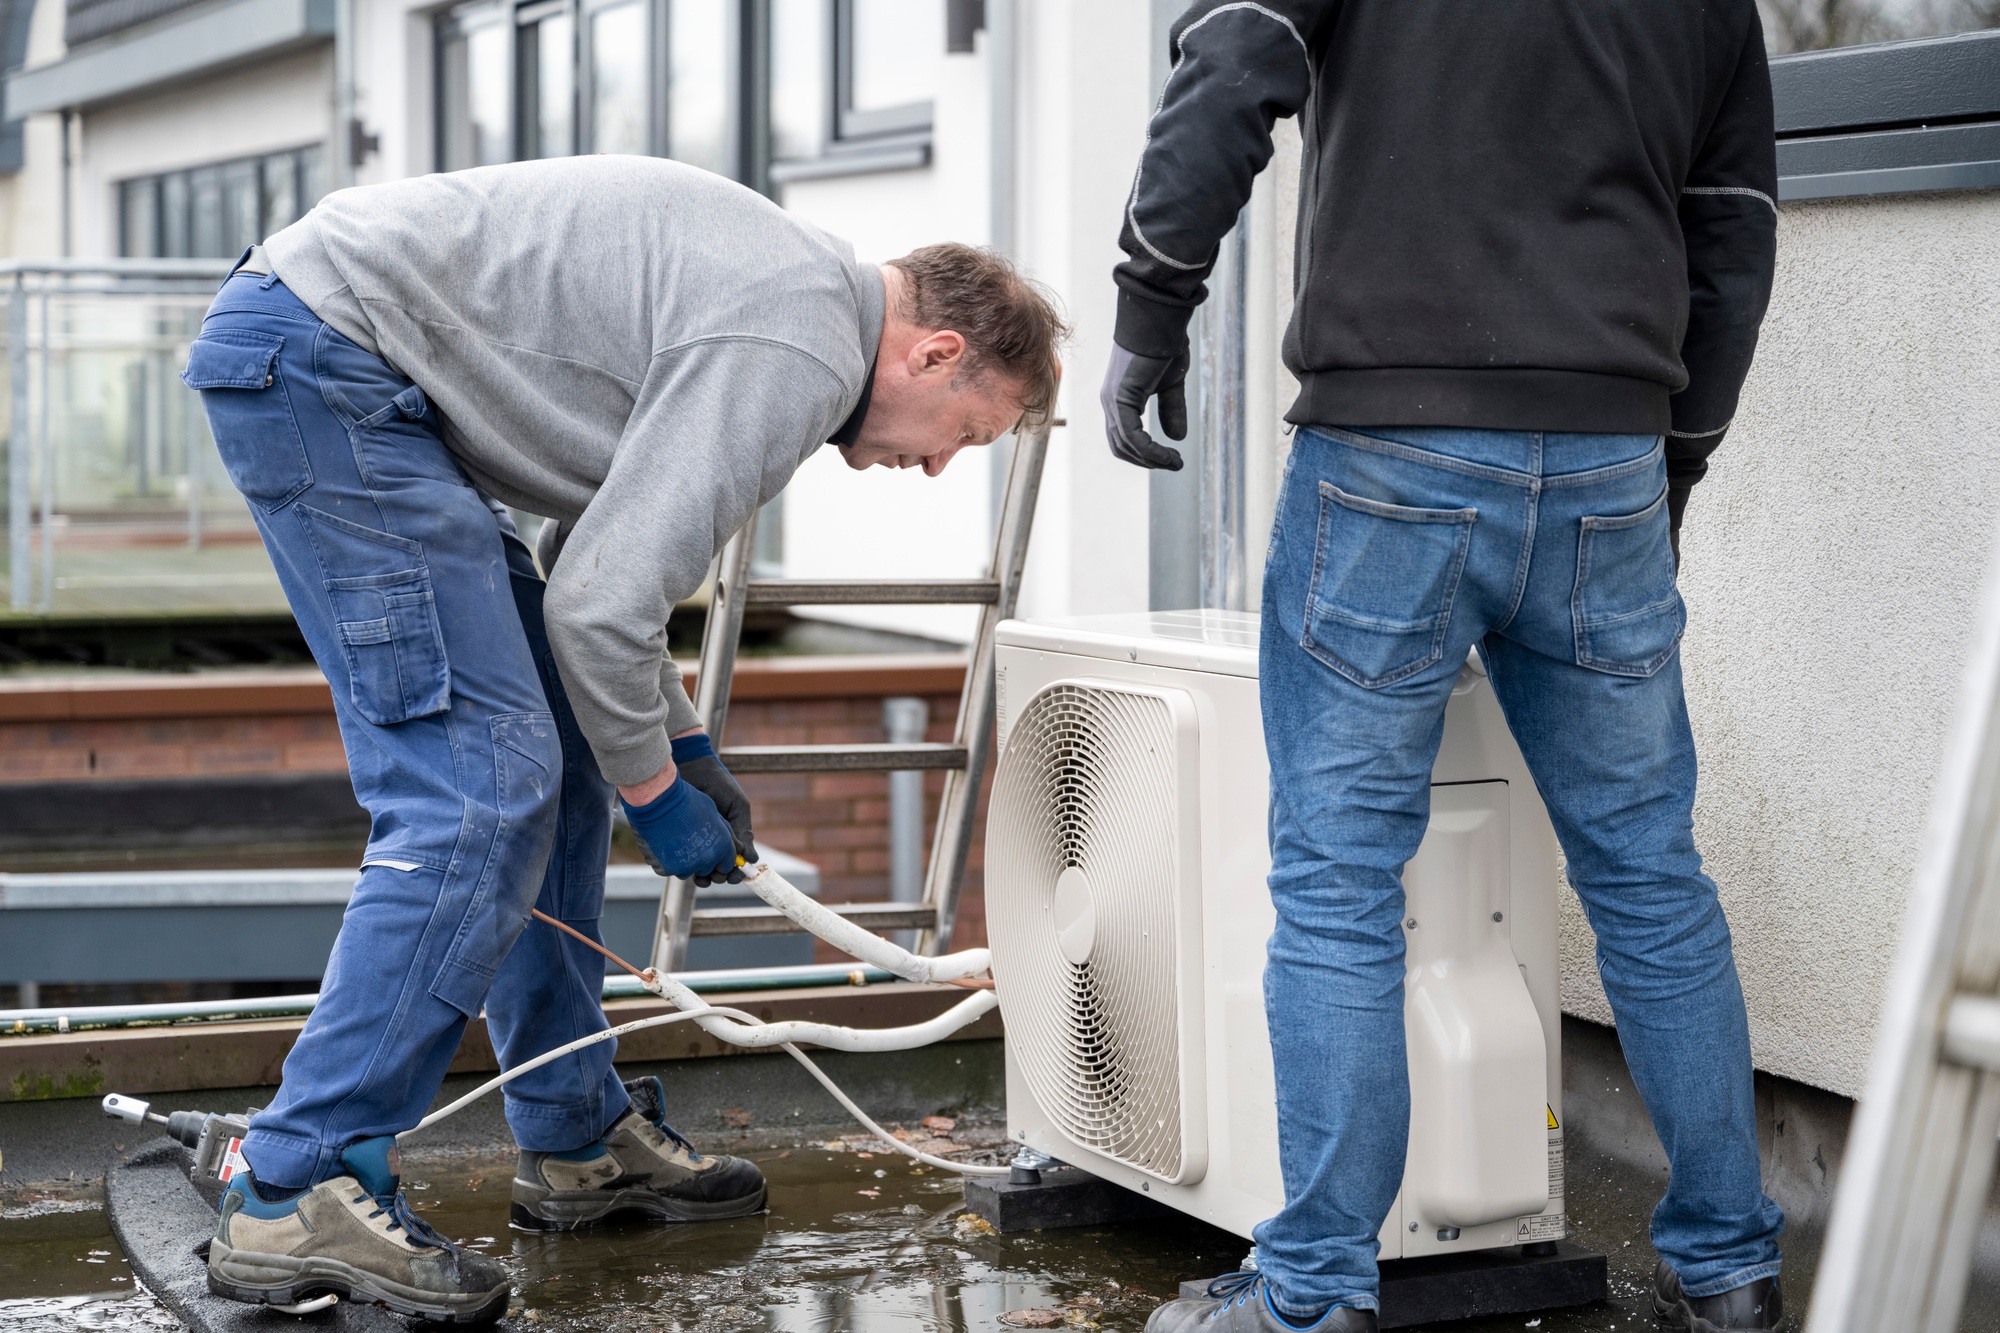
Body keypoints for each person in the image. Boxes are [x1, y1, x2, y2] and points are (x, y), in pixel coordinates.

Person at [184, 155, 1065, 1324]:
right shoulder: (794, 353)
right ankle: (298, 1179)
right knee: (477, 794)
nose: (937, 465)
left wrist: (679, 747)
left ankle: (573, 1136)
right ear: (934, 355)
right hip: (325, 361)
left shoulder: (794, 312)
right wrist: (657, 793)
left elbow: (594, 576)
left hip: (344, 357)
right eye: (965, 432)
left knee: (547, 751)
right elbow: (598, 608)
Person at [1102, 4, 1781, 1332]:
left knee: (1343, 879)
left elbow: (1236, 54)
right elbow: (1735, 225)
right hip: (1606, 456)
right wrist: (1671, 454)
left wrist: (1151, 298)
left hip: (1392, 451)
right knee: (1651, 875)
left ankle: (1317, 1295)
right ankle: (1732, 1270)